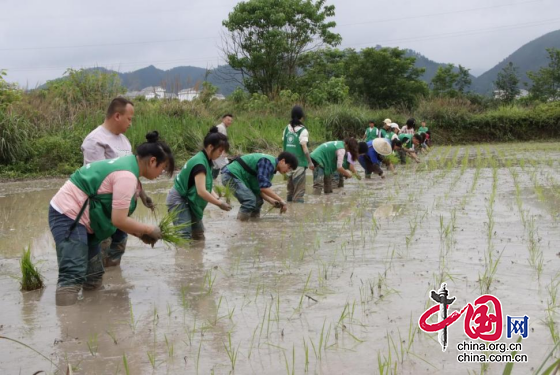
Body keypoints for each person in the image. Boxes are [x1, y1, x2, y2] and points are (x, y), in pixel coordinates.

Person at [49, 131, 175, 306]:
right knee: (72, 275)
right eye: (163, 168)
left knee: (93, 275)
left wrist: (140, 234)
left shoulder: (131, 167)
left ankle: (92, 318)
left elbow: (117, 218)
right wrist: (148, 229)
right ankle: (67, 327)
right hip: (68, 215)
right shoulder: (127, 176)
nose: (162, 173)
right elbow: (119, 220)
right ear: (153, 161)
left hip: (86, 219)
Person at [81, 97, 154, 267]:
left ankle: (113, 282)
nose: (130, 123)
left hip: (122, 208)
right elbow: (97, 179)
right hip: (104, 210)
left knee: (118, 248)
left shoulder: (123, 140)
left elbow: (131, 171)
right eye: (129, 119)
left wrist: (142, 194)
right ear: (117, 116)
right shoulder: (95, 140)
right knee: (100, 252)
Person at [167, 127, 232, 240]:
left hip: (189, 198)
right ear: (211, 147)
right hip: (179, 199)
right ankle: (182, 256)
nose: (220, 154)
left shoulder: (206, 160)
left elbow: (205, 186)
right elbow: (201, 191)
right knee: (184, 235)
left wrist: (217, 198)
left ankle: (196, 257)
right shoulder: (200, 164)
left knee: (198, 234)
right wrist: (219, 204)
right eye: (219, 151)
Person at [221, 152, 298, 221]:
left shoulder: (271, 168)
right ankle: (242, 226)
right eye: (288, 167)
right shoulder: (267, 162)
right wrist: (281, 200)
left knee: (258, 201)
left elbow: (258, 189)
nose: (288, 171)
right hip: (230, 175)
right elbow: (264, 188)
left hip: (238, 177)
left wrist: (272, 201)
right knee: (249, 200)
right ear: (282, 161)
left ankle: (253, 224)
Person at [282, 106, 313, 203]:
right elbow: (304, 146)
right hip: (299, 164)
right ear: (301, 117)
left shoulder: (286, 128)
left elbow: (284, 145)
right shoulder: (303, 130)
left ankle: (289, 213)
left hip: (287, 165)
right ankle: (297, 215)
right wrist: (310, 162)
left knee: (290, 192)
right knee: (299, 193)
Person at [212, 114, 234, 180]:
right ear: (223, 119)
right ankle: (229, 181)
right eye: (228, 120)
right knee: (226, 166)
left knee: (216, 166)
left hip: (214, 150)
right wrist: (223, 152)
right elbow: (222, 141)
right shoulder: (221, 128)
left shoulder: (219, 127)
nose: (229, 122)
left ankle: (213, 181)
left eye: (231, 120)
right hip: (218, 150)